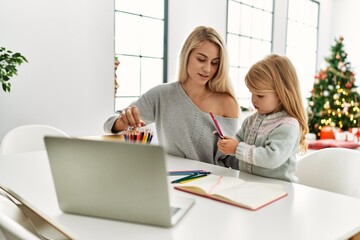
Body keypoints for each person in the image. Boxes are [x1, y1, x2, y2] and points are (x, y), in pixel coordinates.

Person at [104, 26, 239, 165]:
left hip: (213, 182)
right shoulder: (162, 95)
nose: (207, 69)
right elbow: (109, 124)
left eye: (214, 63)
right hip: (172, 179)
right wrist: (123, 121)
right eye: (201, 59)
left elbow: (233, 160)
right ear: (187, 56)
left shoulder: (226, 103)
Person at [217, 54, 308, 182]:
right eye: (252, 93)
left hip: (279, 190)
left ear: (281, 95)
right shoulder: (251, 120)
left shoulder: (288, 126)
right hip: (249, 184)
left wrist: (237, 148)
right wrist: (229, 143)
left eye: (260, 95)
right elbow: (239, 139)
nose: (253, 99)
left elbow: (272, 158)